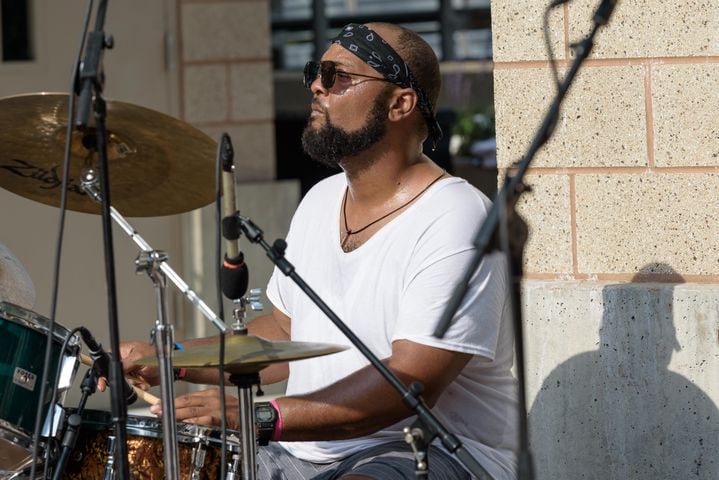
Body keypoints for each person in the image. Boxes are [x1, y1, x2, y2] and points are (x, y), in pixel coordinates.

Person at [119, 22, 518, 479]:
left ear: (400, 103)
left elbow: (412, 382)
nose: (315, 85)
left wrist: (260, 417)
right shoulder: (322, 200)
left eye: (336, 76)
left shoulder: (456, 217)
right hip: (304, 455)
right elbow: (284, 334)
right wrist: (164, 358)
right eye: (315, 71)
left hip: (428, 453)